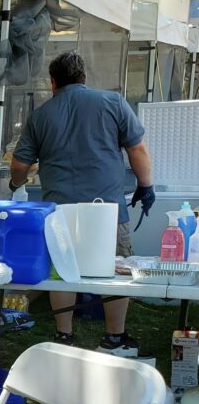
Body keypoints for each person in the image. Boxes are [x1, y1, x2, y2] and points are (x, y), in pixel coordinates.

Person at [10, 51, 154, 356]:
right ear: (84, 77)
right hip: (108, 207)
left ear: (52, 82)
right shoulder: (113, 102)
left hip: (60, 210)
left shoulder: (40, 116)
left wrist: (15, 185)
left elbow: (20, 164)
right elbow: (137, 148)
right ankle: (115, 338)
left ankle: (64, 335)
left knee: (63, 271)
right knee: (116, 269)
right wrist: (146, 185)